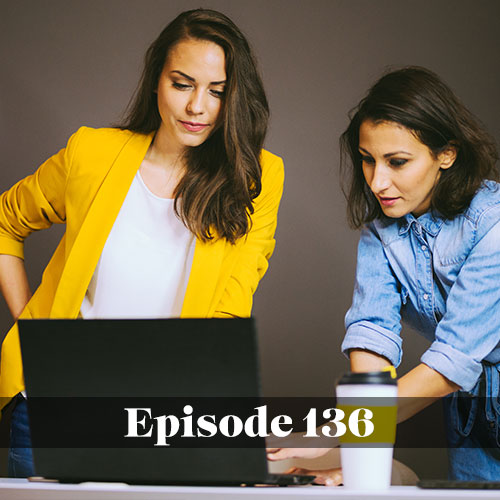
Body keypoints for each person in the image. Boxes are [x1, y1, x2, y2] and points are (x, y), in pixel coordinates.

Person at [0, 8, 284, 477]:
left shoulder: (256, 178)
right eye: (182, 83)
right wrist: (36, 328)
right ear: (157, 80)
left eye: (218, 91)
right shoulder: (92, 153)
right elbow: (6, 221)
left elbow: (229, 308)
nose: (198, 107)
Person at [267, 66, 500, 482]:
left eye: (397, 162)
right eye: (368, 160)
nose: (378, 181)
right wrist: (359, 462)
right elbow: (371, 345)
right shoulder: (381, 235)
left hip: (460, 386)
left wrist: (333, 431)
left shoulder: (494, 225)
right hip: (471, 414)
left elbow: (451, 363)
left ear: (446, 153)